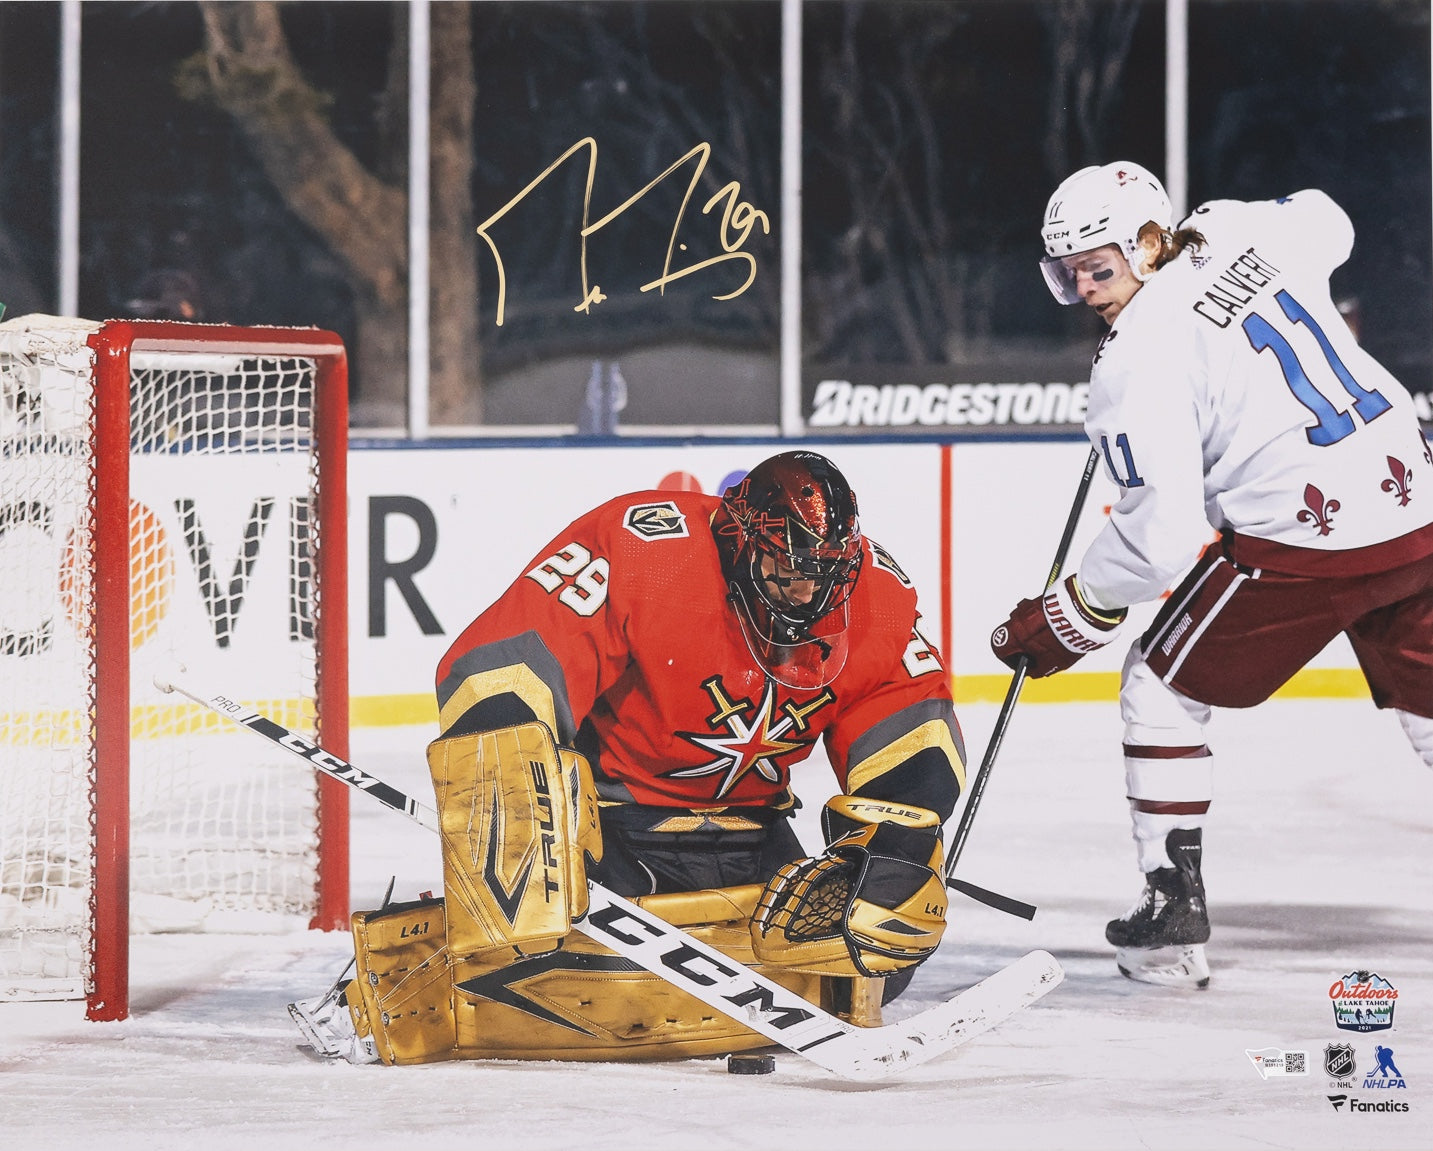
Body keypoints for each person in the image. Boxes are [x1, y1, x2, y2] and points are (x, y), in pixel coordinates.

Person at [298, 449, 966, 1064]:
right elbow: (507, 660)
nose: (805, 597)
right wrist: (511, 789)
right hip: (615, 831)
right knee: (512, 942)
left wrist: (894, 847)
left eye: (822, 579)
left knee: (880, 941)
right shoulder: (647, 544)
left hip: (754, 833)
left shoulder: (876, 593)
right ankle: (413, 973)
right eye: (786, 572)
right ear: (738, 542)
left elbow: (907, 720)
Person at [991, 161, 1433, 989]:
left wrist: (1073, 607)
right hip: (1414, 505)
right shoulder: (1236, 228)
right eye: (1070, 274)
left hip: (1306, 539)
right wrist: (1229, 222)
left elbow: (1160, 538)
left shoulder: (1131, 362)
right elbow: (1328, 217)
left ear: (1150, 243)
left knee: (1158, 686)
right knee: (1425, 702)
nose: (1086, 289)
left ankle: (1169, 919)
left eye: (1100, 266)